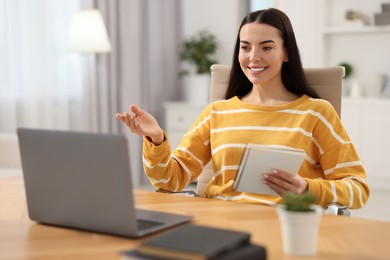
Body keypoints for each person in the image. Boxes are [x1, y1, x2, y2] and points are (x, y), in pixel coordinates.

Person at [116, 8, 369, 209]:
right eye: (245, 47)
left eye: (266, 47)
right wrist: (156, 138)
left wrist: (307, 188)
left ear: (286, 53)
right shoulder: (217, 113)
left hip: (284, 226)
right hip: (220, 225)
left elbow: (358, 190)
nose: (253, 57)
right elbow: (168, 181)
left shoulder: (316, 113)